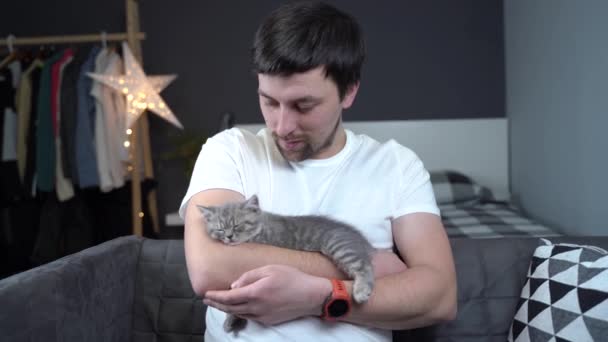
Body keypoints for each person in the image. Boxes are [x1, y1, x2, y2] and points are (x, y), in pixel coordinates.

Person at [179, 2, 457, 341]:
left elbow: (440, 298)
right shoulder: (230, 150)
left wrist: (318, 296)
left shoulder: (397, 166)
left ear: (349, 90)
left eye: (303, 105)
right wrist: (366, 264)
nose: (282, 126)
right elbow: (209, 268)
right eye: (269, 101)